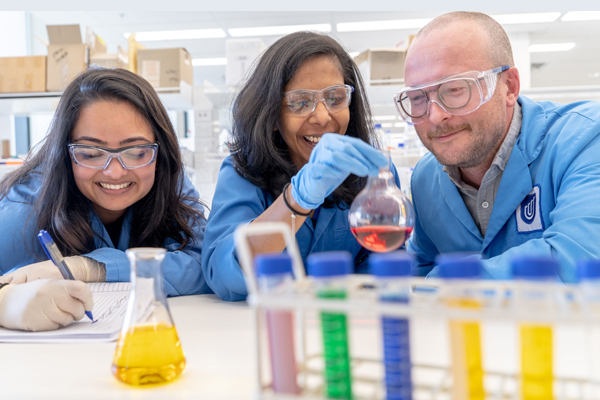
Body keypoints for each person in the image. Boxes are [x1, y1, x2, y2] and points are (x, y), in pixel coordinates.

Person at [0, 67, 210, 331]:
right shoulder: (22, 207)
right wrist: (6, 304)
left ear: (160, 149)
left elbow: (205, 264)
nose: (115, 172)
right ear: (64, 153)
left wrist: (93, 267)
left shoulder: (166, 178)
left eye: (136, 151)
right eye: (90, 153)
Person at [399, 12, 600, 281]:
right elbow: (420, 265)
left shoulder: (584, 140)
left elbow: (578, 257)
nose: (435, 116)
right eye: (416, 97)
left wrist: (446, 285)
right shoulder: (425, 178)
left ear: (509, 87)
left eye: (456, 89)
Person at [202, 31, 401, 301]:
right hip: (270, 326)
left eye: (335, 97)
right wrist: (297, 200)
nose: (322, 117)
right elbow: (222, 272)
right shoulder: (242, 171)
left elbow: (386, 266)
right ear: (272, 114)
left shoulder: (371, 172)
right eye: (300, 102)